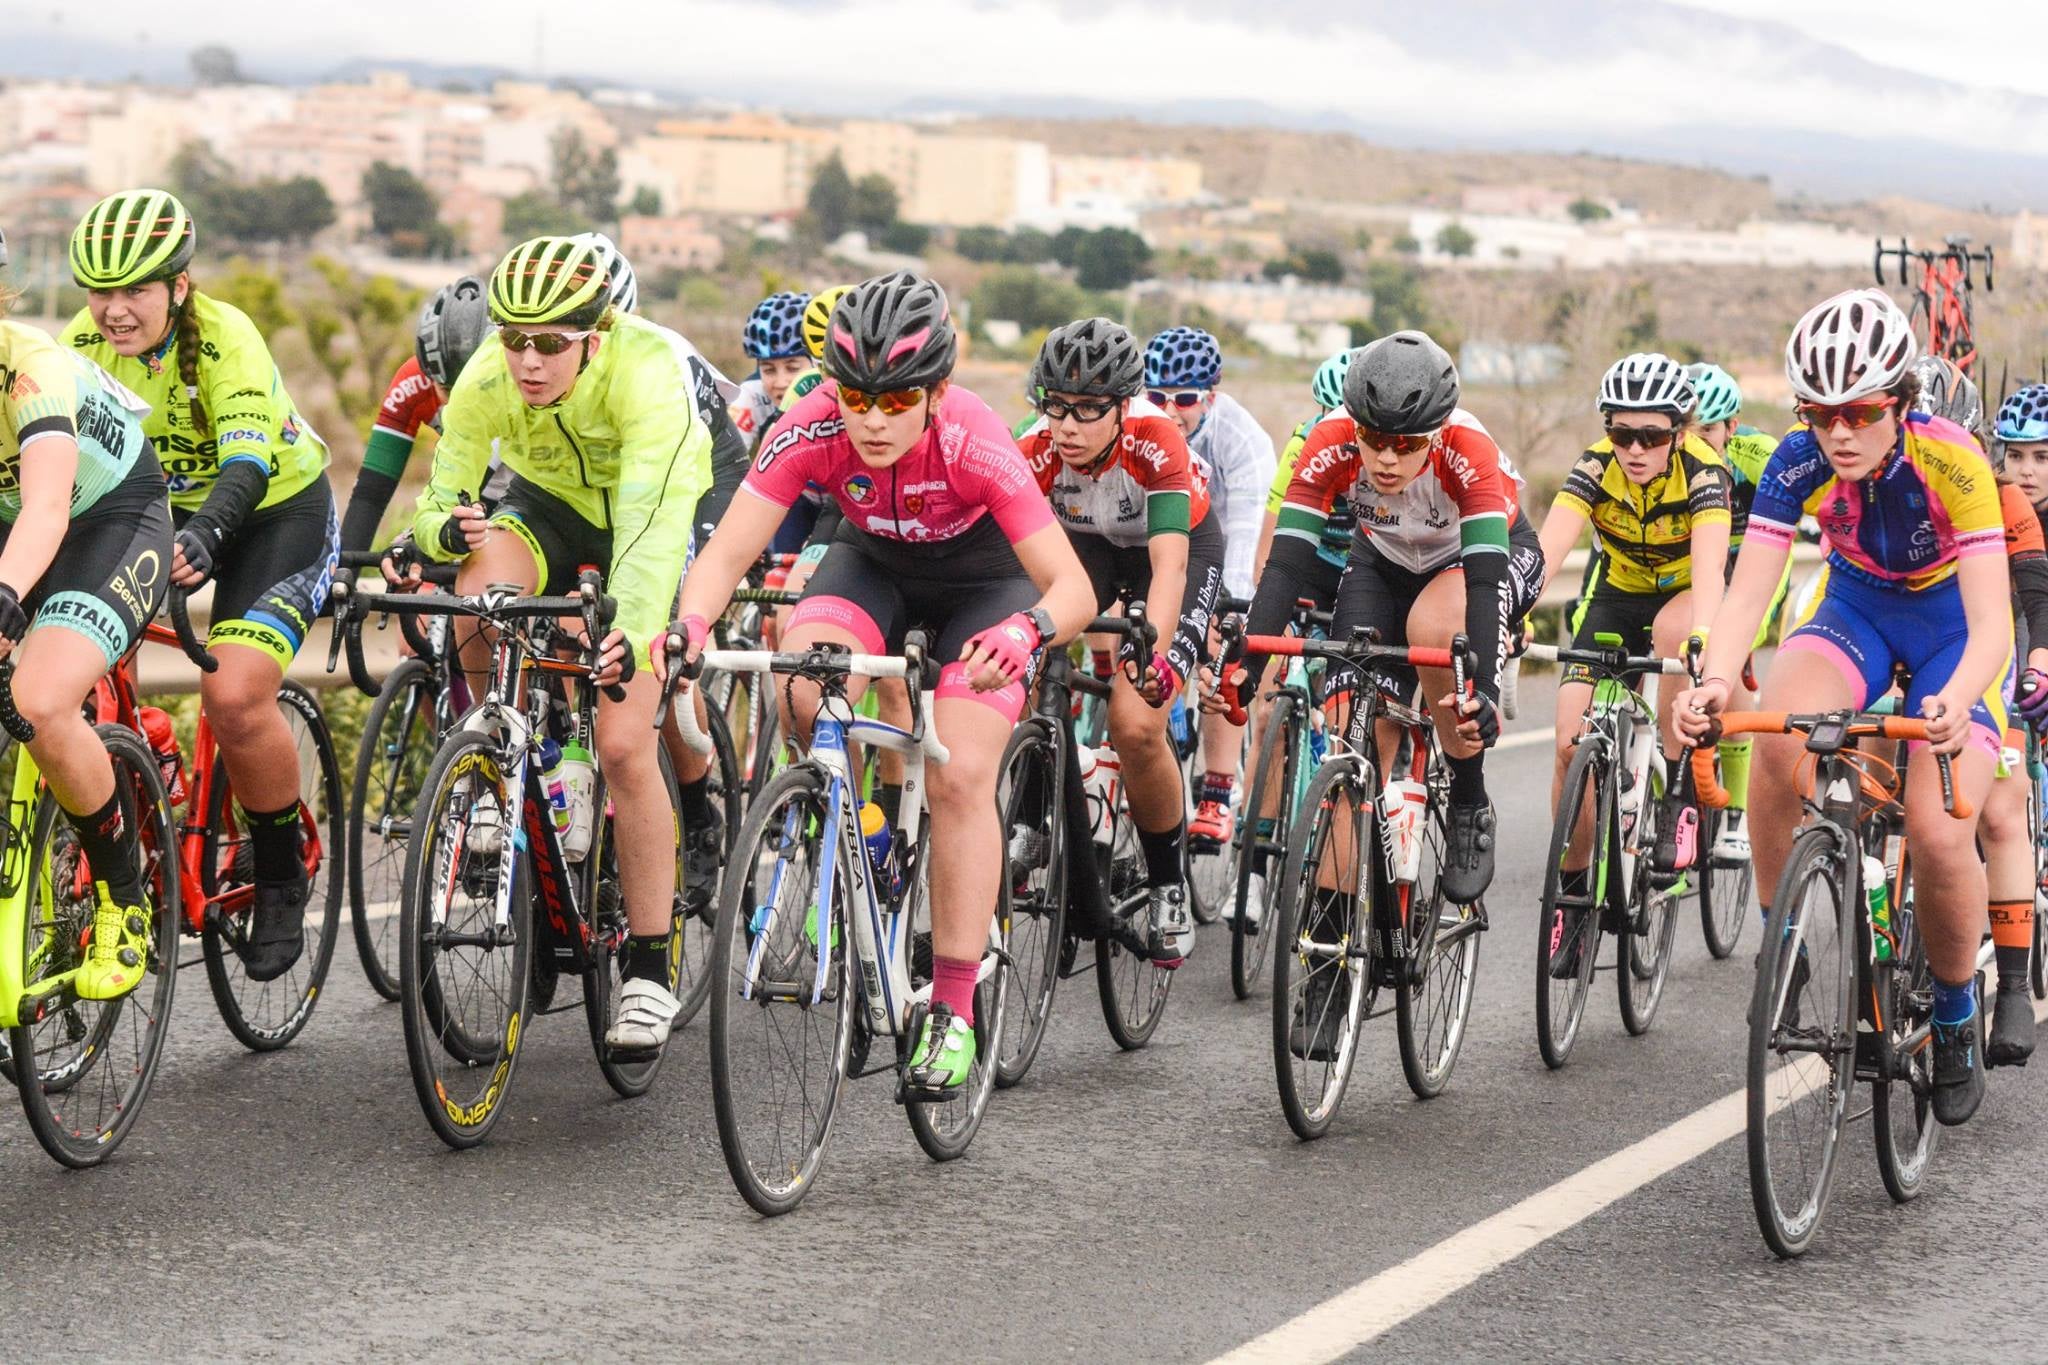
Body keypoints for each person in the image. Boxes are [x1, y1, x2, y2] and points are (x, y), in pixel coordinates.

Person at [665, 272, 1094, 1097]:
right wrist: (689, 626)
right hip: (874, 566)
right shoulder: (811, 421)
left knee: (961, 771)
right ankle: (859, 833)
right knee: (800, 681)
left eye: (896, 401)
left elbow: (1070, 588)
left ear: (936, 392)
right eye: (856, 395)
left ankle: (956, 1011)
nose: (870, 417)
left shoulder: (974, 438)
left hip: (985, 588)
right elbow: (726, 554)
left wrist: (1025, 630)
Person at [1677, 288, 2008, 1126]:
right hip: (1855, 611)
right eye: (1818, 413)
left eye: (1859, 412)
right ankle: (1779, 945)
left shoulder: (1956, 460)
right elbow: (1749, 586)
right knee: (1780, 744)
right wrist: (1716, 678)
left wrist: (1956, 702)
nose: (1839, 433)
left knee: (1938, 829)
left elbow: (1994, 624)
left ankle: (1958, 1008)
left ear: (1898, 402)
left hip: (1950, 631)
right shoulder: (1796, 460)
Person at [408, 233, 714, 1054]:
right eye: (514, 341)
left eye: (549, 344)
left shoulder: (649, 375)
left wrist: (631, 636)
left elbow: (648, 541)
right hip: (550, 502)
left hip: (649, 513)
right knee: (477, 596)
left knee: (621, 742)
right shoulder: (489, 372)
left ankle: (650, 967)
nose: (528, 362)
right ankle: (488, 750)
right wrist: (444, 525)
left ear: (596, 336)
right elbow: (441, 493)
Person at [64, 187, 335, 982]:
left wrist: (211, 531)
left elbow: (248, 460)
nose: (114, 311)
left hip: (272, 510)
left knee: (234, 694)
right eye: (100, 290)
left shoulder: (226, 336)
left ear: (178, 286)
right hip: (153, 510)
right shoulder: (78, 344)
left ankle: (281, 870)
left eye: (135, 291)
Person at [1261, 331, 1538, 905]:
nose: (1385, 459)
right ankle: (1336, 939)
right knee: (1351, 748)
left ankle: (1467, 797)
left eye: (1405, 444)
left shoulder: (1468, 447)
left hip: (1483, 560)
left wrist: (1482, 688)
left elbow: (1485, 583)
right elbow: (1286, 565)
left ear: (1434, 435)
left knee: (1435, 628)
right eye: (1373, 439)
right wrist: (1250, 655)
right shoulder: (1329, 439)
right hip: (1383, 561)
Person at [0, 227, 175, 1001]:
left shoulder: (28, 368)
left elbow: (44, 510)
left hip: (108, 515)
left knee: (38, 698)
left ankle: (122, 902)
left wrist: (6, 602)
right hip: (19, 520)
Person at [1016, 317, 1223, 966]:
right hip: (1091, 550)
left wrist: (1155, 654)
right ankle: (1027, 817)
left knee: (1136, 722)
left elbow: (1168, 570)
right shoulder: (1036, 450)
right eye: (1055, 407)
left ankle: (1167, 882)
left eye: (1085, 410)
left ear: (1121, 406)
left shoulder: (1154, 439)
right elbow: (1009, 567)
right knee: (1020, 662)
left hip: (1171, 555)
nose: (1066, 425)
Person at [1540, 353, 1729, 970]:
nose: (1636, 450)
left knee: (1676, 631)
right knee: (1571, 742)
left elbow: (1710, 567)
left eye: (1652, 436)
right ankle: (1571, 899)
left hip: (1684, 592)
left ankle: (1674, 789)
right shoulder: (1594, 466)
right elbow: (1548, 552)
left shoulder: (1705, 470)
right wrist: (1510, 614)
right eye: (1623, 434)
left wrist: (1705, 634)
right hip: (1616, 592)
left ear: (1678, 433)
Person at [1144, 326, 1274, 847]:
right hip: (1168, 541)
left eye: (1185, 399)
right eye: (1156, 397)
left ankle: (1219, 787)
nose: (1170, 409)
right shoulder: (1139, 425)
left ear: (1211, 397)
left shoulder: (1240, 440)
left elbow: (1243, 532)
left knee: (1223, 642)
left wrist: (1230, 609)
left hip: (1221, 543)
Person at [1685, 362, 1783, 861]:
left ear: (1732, 425)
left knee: (1733, 650)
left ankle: (1737, 816)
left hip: (1755, 558)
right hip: (1700, 559)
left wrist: (1749, 626)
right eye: (1688, 429)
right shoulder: (1672, 458)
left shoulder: (1757, 454)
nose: (1697, 442)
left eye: (1707, 430)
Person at [1978, 376, 2048, 1065]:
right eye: (2016, 455)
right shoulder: (1990, 503)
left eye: (2043, 457)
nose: (2026, 470)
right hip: (2008, 642)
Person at [339, 275, 492, 556]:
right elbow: (371, 495)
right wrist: (342, 578)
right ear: (430, 374)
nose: (461, 403)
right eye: (448, 390)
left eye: (472, 391)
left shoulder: (524, 385)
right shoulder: (412, 381)